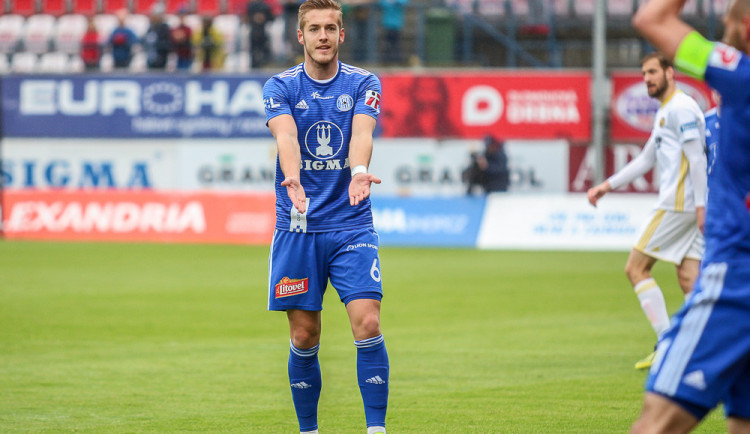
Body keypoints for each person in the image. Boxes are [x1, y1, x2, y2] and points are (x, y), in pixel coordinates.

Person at [262, 0, 388, 433]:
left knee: (368, 322)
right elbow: (286, 135)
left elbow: (362, 132)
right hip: (298, 225)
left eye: (330, 28)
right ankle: (309, 430)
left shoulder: (363, 83)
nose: (322, 36)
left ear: (341, 35)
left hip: (351, 222)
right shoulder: (280, 86)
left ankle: (376, 429)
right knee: (304, 335)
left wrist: (358, 171)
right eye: (314, 29)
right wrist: (293, 178)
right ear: (300, 36)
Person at [629, 0, 750, 431]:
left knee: (657, 422)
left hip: (738, 280)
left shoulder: (739, 74)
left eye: (728, 24)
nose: (723, 32)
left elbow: (652, 18)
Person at [587, 51, 707, 371]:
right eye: (643, 74)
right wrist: (606, 186)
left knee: (636, 268)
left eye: (653, 72)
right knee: (690, 279)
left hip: (678, 204)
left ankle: (666, 344)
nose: (647, 79)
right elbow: (645, 160)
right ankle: (706, 348)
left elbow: (697, 158)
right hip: (686, 206)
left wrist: (701, 206)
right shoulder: (667, 110)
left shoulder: (681, 108)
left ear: (670, 72)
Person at [143, 4, 172, 70]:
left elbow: (167, 44)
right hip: (150, 59)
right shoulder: (151, 28)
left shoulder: (164, 28)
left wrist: (156, 44)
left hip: (160, 59)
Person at [247, 0, 275, 68]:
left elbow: (271, 18)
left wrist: (263, 18)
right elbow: (246, 17)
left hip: (263, 31)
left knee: (264, 48)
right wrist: (253, 18)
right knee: (254, 50)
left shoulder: (265, 6)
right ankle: (254, 63)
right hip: (254, 31)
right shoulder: (251, 6)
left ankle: (265, 62)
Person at [378, 0, 407, 65]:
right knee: (387, 43)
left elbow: (404, 2)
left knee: (396, 43)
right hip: (387, 24)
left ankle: (397, 59)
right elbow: (381, 3)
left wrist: (394, 1)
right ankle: (386, 59)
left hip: (396, 25)